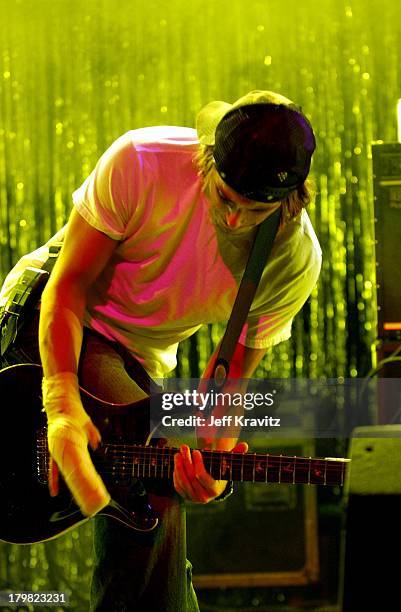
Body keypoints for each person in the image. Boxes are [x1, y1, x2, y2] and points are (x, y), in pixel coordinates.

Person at [0, 90, 321, 611]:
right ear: (206, 161)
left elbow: (228, 384)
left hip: (138, 357)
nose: (236, 220)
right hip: (47, 316)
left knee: (157, 484)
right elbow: (70, 287)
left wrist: (212, 473)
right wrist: (61, 403)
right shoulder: (142, 160)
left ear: (291, 199)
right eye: (224, 198)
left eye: (255, 208)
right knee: (153, 451)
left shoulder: (292, 261)